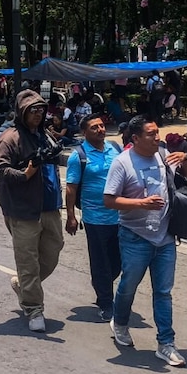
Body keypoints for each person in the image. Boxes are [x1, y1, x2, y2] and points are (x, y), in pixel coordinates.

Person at [103, 115, 187, 367]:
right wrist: (141, 203)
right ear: (136, 138)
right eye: (151, 134)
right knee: (129, 285)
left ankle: (166, 344)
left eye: (157, 133)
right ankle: (120, 322)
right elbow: (109, 200)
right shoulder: (122, 163)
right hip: (135, 236)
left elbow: (185, 178)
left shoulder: (163, 155)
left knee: (163, 292)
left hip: (165, 237)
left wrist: (185, 160)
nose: (157, 138)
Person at [0, 90, 64, 333]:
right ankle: (33, 309)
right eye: (33, 109)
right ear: (22, 112)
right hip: (23, 210)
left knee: (52, 254)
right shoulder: (11, 138)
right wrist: (24, 174)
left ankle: (23, 284)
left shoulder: (44, 135)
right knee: (28, 262)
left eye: (41, 109)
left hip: (50, 206)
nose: (38, 113)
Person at [65, 113, 123, 322]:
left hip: (120, 216)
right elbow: (71, 188)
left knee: (119, 262)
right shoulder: (78, 156)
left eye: (101, 126)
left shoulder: (115, 149)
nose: (100, 130)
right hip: (94, 218)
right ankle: (106, 303)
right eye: (94, 127)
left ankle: (101, 283)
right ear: (84, 132)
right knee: (101, 263)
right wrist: (71, 216)